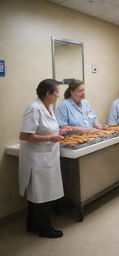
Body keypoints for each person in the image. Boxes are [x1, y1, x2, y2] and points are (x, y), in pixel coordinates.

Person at [19, 79, 71, 238]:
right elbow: (25, 135)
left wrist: (60, 132)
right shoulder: (34, 109)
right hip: (37, 159)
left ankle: (32, 224)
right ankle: (45, 229)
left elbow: (47, 129)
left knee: (41, 193)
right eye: (56, 92)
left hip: (47, 157)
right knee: (40, 194)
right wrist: (50, 138)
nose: (58, 95)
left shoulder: (47, 107)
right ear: (47, 93)